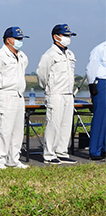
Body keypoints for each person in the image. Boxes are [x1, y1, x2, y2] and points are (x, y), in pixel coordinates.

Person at [0, 27, 30, 170]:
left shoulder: (22, 56)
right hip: (4, 94)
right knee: (3, 130)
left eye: (21, 39)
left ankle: (13, 159)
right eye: (18, 39)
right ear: (8, 40)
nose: (20, 41)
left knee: (17, 130)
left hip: (18, 95)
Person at [36, 24, 77, 164]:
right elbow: (42, 75)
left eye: (69, 36)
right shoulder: (50, 54)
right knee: (54, 123)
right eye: (65, 35)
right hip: (55, 93)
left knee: (66, 124)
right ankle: (49, 153)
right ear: (56, 36)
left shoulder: (70, 54)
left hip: (68, 93)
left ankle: (62, 151)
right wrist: (48, 89)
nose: (68, 38)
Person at [87, 40, 106, 161]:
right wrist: (91, 84)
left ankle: (104, 148)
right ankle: (95, 151)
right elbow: (91, 68)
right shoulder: (100, 49)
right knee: (100, 118)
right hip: (102, 82)